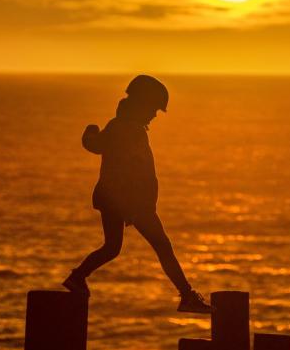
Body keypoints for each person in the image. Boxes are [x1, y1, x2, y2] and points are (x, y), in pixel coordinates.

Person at [63, 75, 212, 314]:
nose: (154, 114)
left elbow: (98, 145)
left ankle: (78, 277)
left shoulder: (124, 127)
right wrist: (136, 208)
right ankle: (187, 296)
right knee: (162, 246)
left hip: (117, 199)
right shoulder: (125, 129)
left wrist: (92, 132)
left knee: (112, 247)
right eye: (153, 108)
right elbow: (106, 151)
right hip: (131, 202)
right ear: (141, 104)